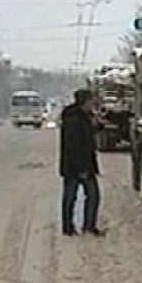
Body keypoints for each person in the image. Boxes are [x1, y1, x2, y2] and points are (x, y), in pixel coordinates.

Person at [60, 89, 105, 236]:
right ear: (85, 101)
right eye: (92, 99)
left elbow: (94, 131)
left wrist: (98, 122)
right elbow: (74, 146)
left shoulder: (85, 116)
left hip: (83, 164)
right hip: (77, 165)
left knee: (84, 195)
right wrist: (82, 169)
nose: (94, 102)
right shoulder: (73, 119)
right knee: (81, 196)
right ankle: (72, 227)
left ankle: (84, 226)